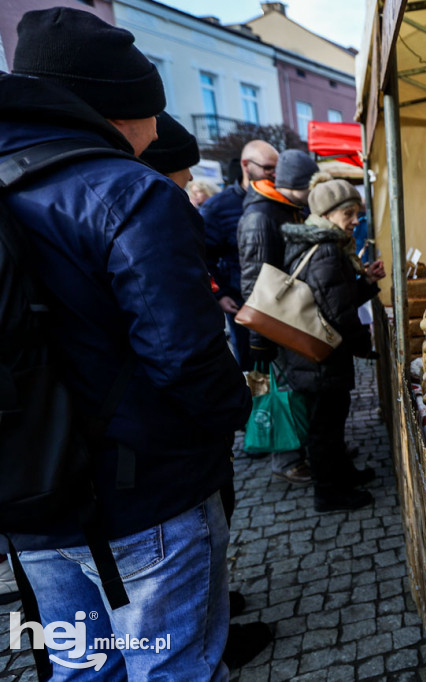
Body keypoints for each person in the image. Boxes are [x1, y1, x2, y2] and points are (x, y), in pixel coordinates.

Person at [0, 8, 251, 680]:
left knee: (83, 670)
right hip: (144, 506)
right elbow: (186, 357)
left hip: (28, 504)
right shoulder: (129, 192)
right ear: (123, 110)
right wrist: (230, 420)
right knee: (168, 668)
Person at [138, 110, 273, 670]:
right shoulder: (159, 211)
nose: (188, 188)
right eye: (181, 177)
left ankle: (213, 615)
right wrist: (233, 405)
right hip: (157, 448)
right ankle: (207, 633)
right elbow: (177, 341)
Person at [277, 175, 384, 511]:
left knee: (332, 424)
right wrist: (365, 347)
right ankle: (329, 493)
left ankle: (343, 475)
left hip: (313, 356)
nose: (355, 222)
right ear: (325, 215)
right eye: (348, 215)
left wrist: (366, 282)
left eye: (356, 214)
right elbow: (339, 313)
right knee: (325, 429)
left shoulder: (322, 244)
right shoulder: (326, 250)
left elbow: (337, 297)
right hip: (319, 359)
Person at [237, 148, 319, 483]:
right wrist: (260, 342)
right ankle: (286, 460)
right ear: (297, 184)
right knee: (280, 393)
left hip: (289, 318)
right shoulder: (261, 217)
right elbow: (253, 280)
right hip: (275, 327)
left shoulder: (287, 209)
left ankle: (304, 450)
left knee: (295, 391)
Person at [201, 141, 279, 371]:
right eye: (268, 168)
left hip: (280, 301)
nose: (274, 174)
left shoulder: (282, 199)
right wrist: (221, 294)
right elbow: (204, 257)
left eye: (277, 168)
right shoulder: (217, 207)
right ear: (246, 165)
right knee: (253, 370)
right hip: (242, 303)